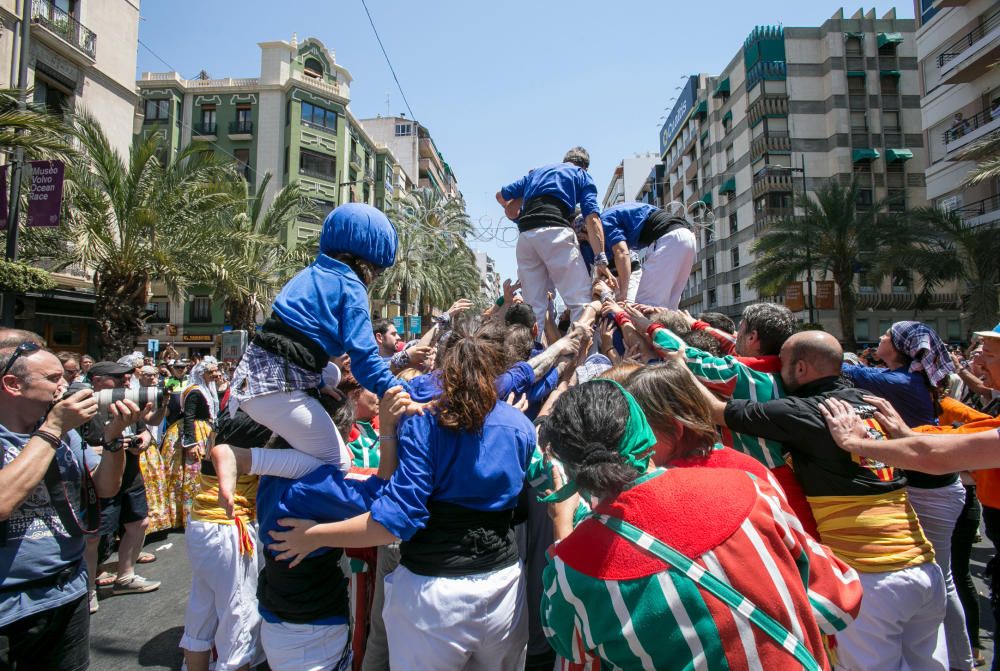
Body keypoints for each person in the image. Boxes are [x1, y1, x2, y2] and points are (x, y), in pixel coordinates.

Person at [536, 379, 862, 669]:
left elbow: (572, 649)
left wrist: (564, 531)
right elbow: (840, 600)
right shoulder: (750, 489)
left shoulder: (569, 567)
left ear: (569, 464)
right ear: (643, 431)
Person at [268, 328, 536, 671]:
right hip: (504, 589)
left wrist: (310, 537)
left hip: (433, 595)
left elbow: (393, 521)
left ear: (441, 364)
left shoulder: (424, 422)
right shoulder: (519, 425)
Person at [700, 330, 947, 669]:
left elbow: (716, 410)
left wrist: (675, 365)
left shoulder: (802, 412)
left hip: (871, 579)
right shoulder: (872, 401)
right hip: (924, 568)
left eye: (782, 364)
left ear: (800, 369)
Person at [222, 204, 407, 500]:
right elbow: (364, 360)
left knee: (333, 371)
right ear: (372, 262)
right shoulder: (352, 287)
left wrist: (320, 381)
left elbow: (293, 336)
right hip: (273, 391)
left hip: (254, 375)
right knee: (338, 461)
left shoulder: (309, 274)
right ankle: (241, 458)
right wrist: (398, 391)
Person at [841, 320, 972, 670]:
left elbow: (836, 366)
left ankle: (960, 660)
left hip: (929, 490)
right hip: (939, 486)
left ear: (899, 349)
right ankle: (960, 658)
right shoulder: (912, 381)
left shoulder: (896, 382)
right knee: (942, 581)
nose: (881, 336)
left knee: (941, 581)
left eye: (887, 335)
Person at [0, 341, 138, 669]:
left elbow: (106, 487)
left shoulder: (67, 433)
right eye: (53, 378)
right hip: (8, 607)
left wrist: (114, 438)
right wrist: (54, 429)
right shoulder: (56, 427)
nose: (67, 385)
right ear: (12, 384)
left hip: (67, 593)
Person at [180, 409, 272, 671]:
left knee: (202, 609)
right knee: (240, 618)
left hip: (202, 522)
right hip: (230, 528)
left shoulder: (228, 418)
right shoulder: (260, 422)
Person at [497, 147, 612, 334]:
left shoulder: (537, 172)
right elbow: (592, 218)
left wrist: (523, 217)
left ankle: (529, 358)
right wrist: (600, 258)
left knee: (533, 310)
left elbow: (502, 199)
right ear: (585, 166)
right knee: (581, 302)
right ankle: (582, 359)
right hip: (555, 231)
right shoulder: (580, 175)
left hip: (526, 237)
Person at [86, 361, 161, 598]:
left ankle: (126, 577)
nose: (125, 383)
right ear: (97, 381)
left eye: (127, 378)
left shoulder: (129, 401)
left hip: (130, 473)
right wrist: (108, 447)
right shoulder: (85, 407)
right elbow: (75, 445)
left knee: (138, 523)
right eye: (118, 379)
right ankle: (87, 590)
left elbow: (146, 430)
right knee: (94, 536)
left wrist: (142, 442)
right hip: (98, 478)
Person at [583, 202, 697, 308]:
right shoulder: (610, 217)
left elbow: (622, 253)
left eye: (584, 239)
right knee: (667, 309)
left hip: (669, 238)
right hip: (687, 237)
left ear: (588, 230)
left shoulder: (603, 222)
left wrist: (623, 293)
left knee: (645, 306)